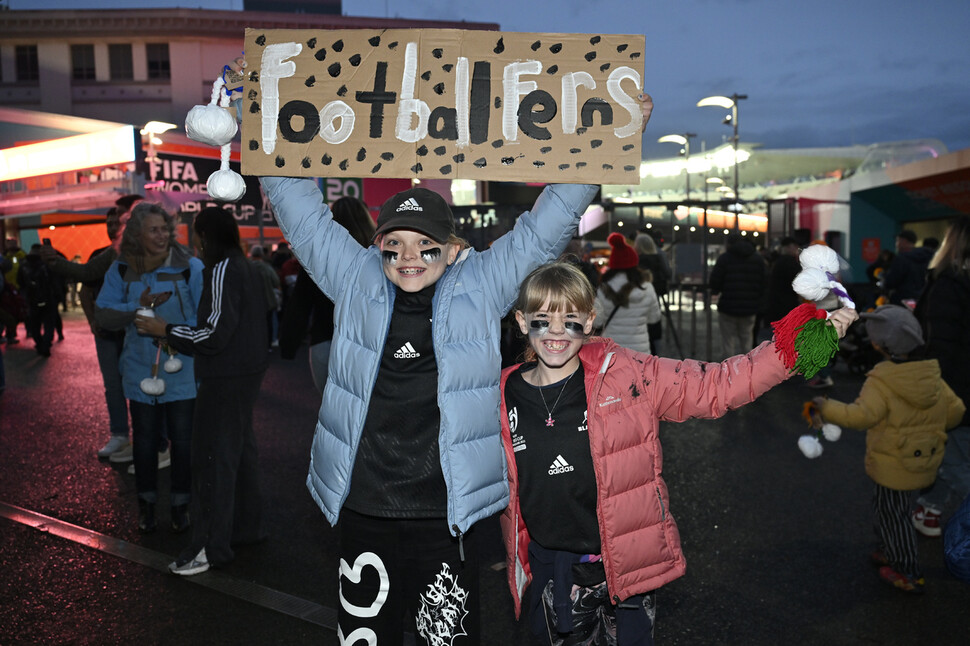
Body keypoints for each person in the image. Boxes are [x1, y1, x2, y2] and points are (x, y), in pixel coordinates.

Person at [259, 92, 653, 645]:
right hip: (363, 504)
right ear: (377, 247)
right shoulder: (354, 278)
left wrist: (608, 139)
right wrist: (260, 119)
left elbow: (547, 225)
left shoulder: (482, 285)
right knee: (364, 638)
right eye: (394, 245)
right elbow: (301, 214)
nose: (408, 258)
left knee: (443, 640)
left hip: (446, 513)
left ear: (451, 248)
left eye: (425, 245)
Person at [498, 262, 858, 643]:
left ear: (589, 322)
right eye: (542, 320)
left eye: (570, 319)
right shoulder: (500, 396)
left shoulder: (629, 373)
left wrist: (797, 345)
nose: (556, 332)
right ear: (522, 322)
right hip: (553, 569)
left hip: (626, 569)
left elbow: (718, 386)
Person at [136, 206, 269, 575]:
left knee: (211, 459)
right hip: (245, 372)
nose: (191, 241)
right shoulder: (244, 266)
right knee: (238, 455)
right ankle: (244, 528)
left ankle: (208, 547)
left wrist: (167, 330)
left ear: (206, 236)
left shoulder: (223, 268)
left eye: (195, 234)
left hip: (225, 377)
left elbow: (213, 333)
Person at [814, 304, 964, 594]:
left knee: (893, 515)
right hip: (926, 458)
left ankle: (906, 569)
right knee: (892, 510)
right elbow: (955, 412)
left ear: (879, 345)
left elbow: (861, 416)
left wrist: (827, 407)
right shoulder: (931, 374)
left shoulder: (882, 381)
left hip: (893, 463)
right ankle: (890, 548)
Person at [95, 202, 204, 534]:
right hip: (140, 370)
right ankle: (146, 506)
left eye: (165, 229)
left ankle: (180, 505)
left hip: (182, 369)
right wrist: (136, 306)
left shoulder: (190, 266)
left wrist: (171, 330)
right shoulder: (122, 269)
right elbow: (103, 316)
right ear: (136, 234)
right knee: (143, 441)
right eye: (153, 230)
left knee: (183, 442)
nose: (162, 236)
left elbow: (204, 319)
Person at [278, 196, 375, 393]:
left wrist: (288, 344)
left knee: (330, 409)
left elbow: (300, 303)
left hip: (326, 340)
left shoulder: (318, 258)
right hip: (370, 343)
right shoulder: (376, 258)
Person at [912, 215, 970, 536]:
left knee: (953, 459)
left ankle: (930, 509)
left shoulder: (949, 285)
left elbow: (940, 345)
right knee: (951, 450)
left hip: (954, 386)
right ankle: (929, 510)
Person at [593, 233, 660, 354]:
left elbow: (597, 321)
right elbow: (654, 318)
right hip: (640, 352)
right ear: (635, 262)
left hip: (612, 352)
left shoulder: (603, 288)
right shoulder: (647, 287)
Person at [709, 232, 767, 358]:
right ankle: (748, 372)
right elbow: (765, 282)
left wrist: (716, 290)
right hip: (750, 308)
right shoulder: (757, 259)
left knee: (728, 343)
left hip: (728, 307)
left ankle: (728, 373)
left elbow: (715, 281)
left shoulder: (724, 258)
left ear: (729, 244)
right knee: (747, 342)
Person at [18, 244, 59, 357]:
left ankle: (40, 343)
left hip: (31, 299)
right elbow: (53, 281)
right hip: (47, 297)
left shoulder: (24, 265)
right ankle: (46, 344)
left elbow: (20, 282)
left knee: (34, 324)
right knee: (48, 324)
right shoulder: (46, 265)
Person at [634, 232, 670, 355]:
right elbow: (668, 274)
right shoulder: (659, 258)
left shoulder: (637, 261)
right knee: (655, 326)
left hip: (639, 300)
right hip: (657, 296)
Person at [882, 229, 933, 306]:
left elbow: (891, 282)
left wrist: (885, 278)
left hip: (902, 302)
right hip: (922, 300)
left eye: (898, 241)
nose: (897, 244)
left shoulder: (901, 259)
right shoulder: (928, 257)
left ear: (904, 241)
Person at [248, 244, 281, 350]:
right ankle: (268, 344)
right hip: (267, 300)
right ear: (262, 254)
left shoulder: (247, 266)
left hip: (251, 300)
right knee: (268, 323)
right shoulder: (267, 267)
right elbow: (276, 281)